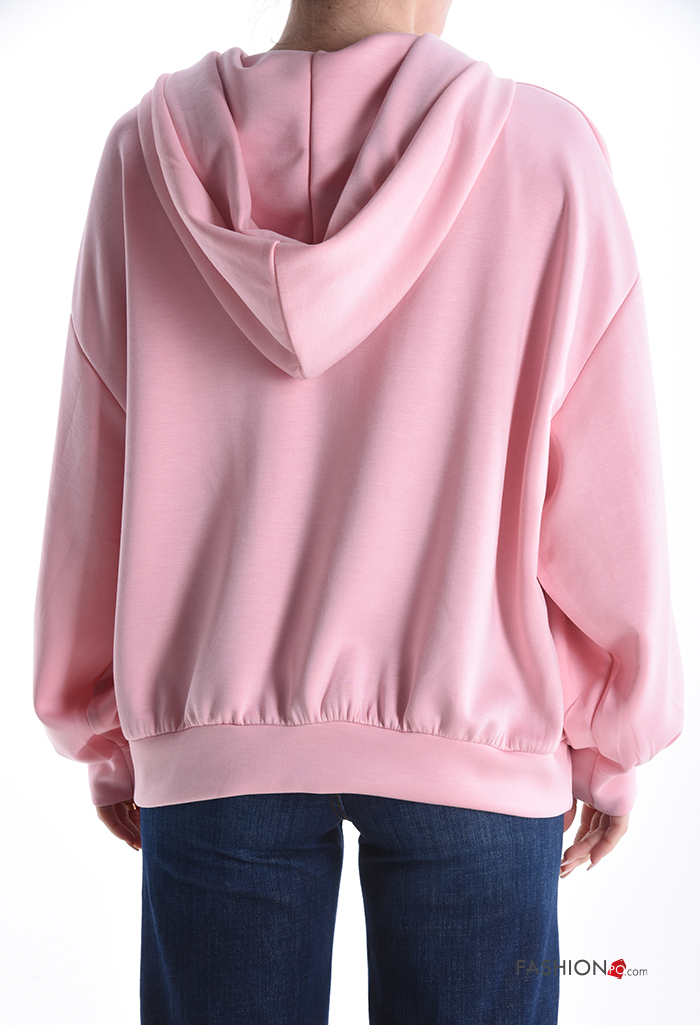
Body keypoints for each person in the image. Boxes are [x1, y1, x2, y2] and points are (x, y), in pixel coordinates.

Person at [33, 0, 684, 1021]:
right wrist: (611, 736)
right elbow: (606, 481)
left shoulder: (143, 161)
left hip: (216, 742)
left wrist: (108, 727)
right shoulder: (545, 151)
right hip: (474, 730)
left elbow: (96, 467)